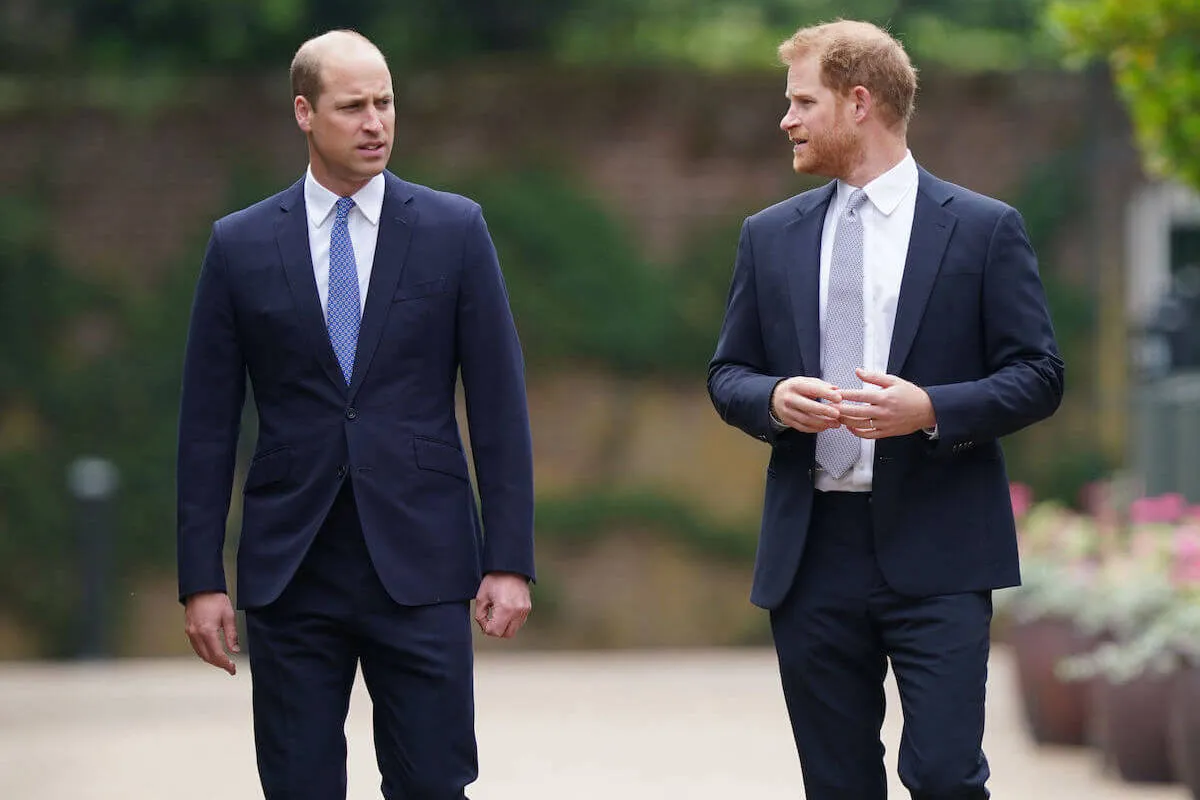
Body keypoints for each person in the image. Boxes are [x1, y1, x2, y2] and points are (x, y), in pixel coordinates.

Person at [707, 20, 1063, 799]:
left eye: (802, 101)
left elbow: (1039, 375)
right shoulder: (769, 237)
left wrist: (930, 407)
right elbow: (727, 372)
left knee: (944, 776)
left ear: (858, 102)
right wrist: (771, 397)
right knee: (836, 785)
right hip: (812, 553)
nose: (786, 120)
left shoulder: (982, 228)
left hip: (941, 546)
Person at [176, 29, 535, 800]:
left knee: (434, 783)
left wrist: (508, 559)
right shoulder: (238, 245)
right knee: (298, 786)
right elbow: (206, 425)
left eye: (385, 103)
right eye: (352, 107)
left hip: (425, 559)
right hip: (292, 567)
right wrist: (200, 578)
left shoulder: (454, 229)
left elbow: (500, 406)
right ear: (304, 113)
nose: (375, 122)